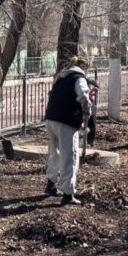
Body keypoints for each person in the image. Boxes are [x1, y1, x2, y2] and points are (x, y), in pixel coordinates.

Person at [44, 56, 92, 205]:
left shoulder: (61, 77)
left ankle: (50, 185)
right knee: (70, 157)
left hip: (51, 118)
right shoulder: (79, 78)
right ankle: (68, 194)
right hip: (66, 121)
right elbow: (84, 96)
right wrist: (87, 112)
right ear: (83, 67)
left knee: (55, 153)